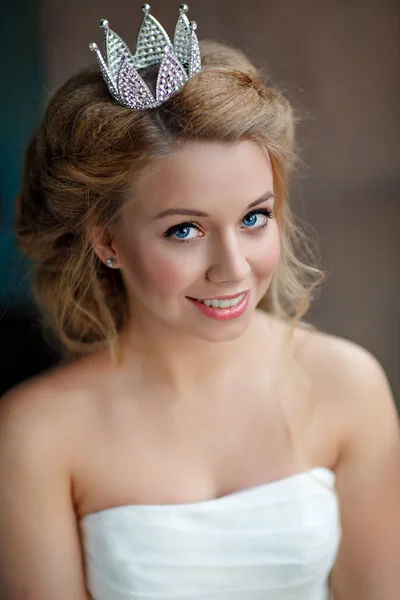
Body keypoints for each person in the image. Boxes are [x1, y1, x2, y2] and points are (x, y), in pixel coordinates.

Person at [0, 4, 399, 600]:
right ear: (107, 240)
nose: (233, 268)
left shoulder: (349, 384)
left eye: (254, 218)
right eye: (184, 230)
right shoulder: (36, 434)